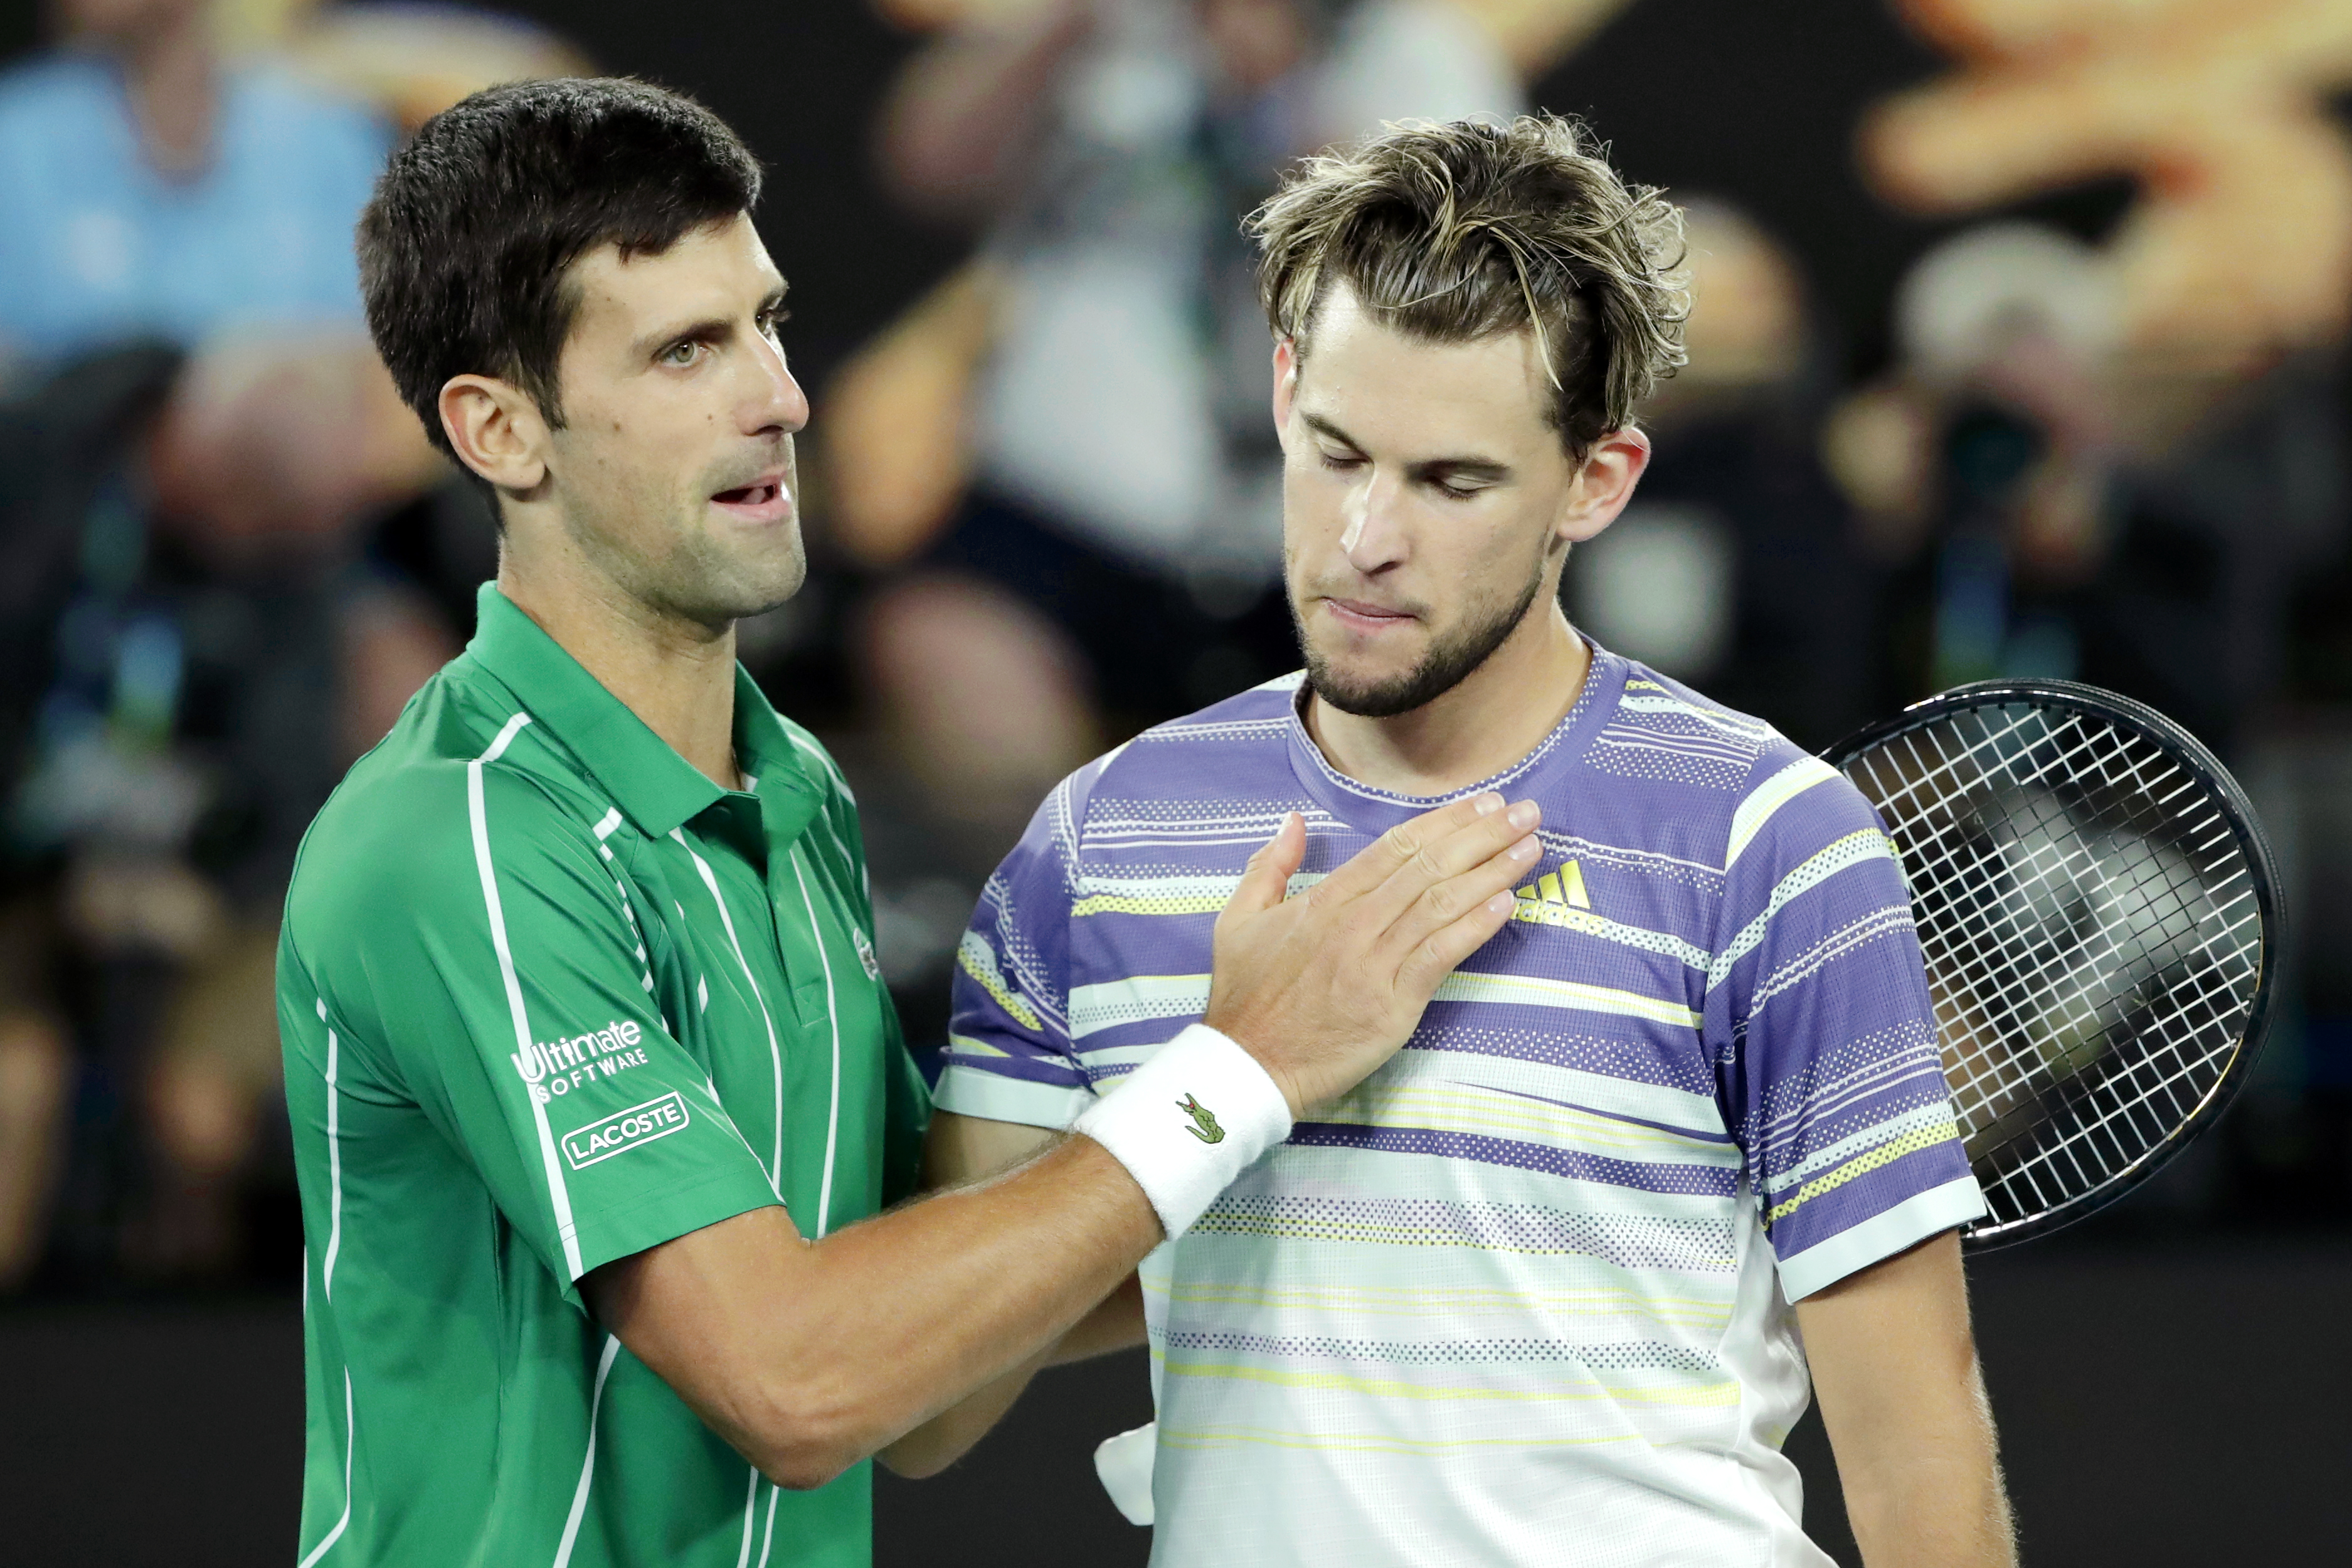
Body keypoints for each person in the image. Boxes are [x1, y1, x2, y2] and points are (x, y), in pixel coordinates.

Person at [282, 76, 1545, 1565]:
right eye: (687, 349)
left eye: (765, 322)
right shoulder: (465, 839)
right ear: (501, 430)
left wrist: (1342, 1155)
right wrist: (1243, 1065)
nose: (777, 396)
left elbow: (925, 1380)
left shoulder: (793, 791)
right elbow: (800, 1380)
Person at [931, 115, 2017, 1565]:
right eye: (1333, 451)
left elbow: (1918, 1443)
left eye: (1453, 482)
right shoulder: (1099, 839)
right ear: (1279, 391)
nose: (1364, 536)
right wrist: (1234, 1076)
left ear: (1598, 481)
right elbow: (927, 1400)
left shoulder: (1771, 838)